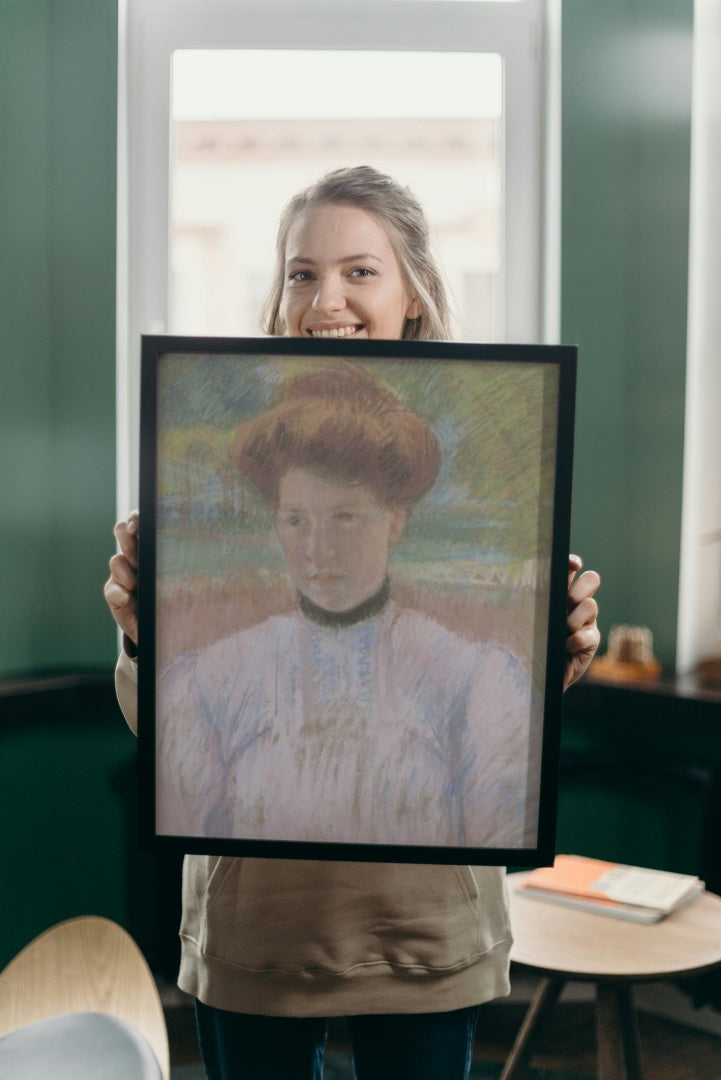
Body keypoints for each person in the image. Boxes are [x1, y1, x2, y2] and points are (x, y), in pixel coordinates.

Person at [105, 166, 601, 1080]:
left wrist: (554, 651)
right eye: (301, 272)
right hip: (256, 933)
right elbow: (172, 754)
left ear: (413, 292)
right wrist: (143, 634)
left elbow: (505, 762)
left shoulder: (470, 666)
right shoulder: (218, 667)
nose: (324, 297)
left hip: (422, 934)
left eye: (359, 271)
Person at [157, 363, 541, 849]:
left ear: (394, 521)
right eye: (296, 520)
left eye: (345, 518)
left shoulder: (470, 682)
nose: (319, 548)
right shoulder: (214, 683)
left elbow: (500, 843)